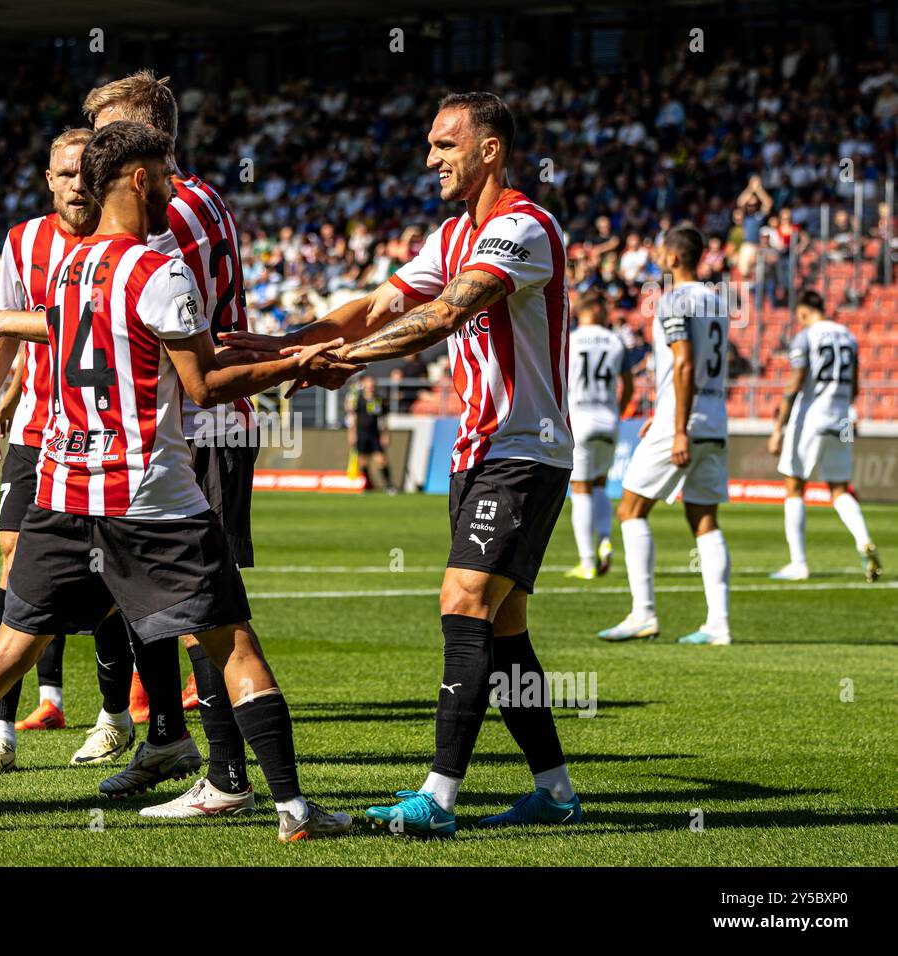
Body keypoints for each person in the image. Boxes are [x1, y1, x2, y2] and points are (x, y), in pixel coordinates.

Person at [0, 121, 357, 841]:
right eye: (167, 173)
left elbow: (64, 330)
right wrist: (297, 365)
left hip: (63, 487)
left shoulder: (68, 268)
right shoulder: (158, 270)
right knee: (234, 646)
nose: (175, 187)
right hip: (151, 497)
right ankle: (296, 810)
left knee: (10, 646)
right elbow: (204, 385)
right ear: (139, 178)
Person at [231, 92, 583, 835]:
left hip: (524, 449)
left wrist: (345, 362)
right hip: (478, 450)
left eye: (445, 145)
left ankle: (439, 798)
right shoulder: (452, 233)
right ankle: (553, 790)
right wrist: (280, 346)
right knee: (506, 627)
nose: (430, 160)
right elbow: (375, 305)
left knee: (462, 602)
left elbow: (447, 313)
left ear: (489, 149)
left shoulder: (524, 227)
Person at [82, 71, 267, 816]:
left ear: (142, 134)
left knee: (202, 610)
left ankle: (227, 774)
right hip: (190, 423)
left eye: (104, 131)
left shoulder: (168, 215)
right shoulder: (201, 199)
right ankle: (170, 739)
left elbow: (124, 314)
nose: (94, 148)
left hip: (200, 422)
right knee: (151, 595)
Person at [0, 128, 140, 774]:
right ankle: (0, 731)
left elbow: (62, 321)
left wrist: (3, 324)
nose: (77, 183)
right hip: (36, 430)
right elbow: (4, 330)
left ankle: (115, 716)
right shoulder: (23, 241)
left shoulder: (122, 245)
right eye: (64, 173)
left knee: (109, 576)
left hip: (103, 434)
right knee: (12, 563)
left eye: (87, 171)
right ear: (48, 179)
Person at [597, 225, 733, 645]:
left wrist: (675, 429)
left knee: (630, 511)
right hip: (712, 418)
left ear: (673, 258)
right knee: (704, 519)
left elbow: (685, 364)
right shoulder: (718, 302)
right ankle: (719, 624)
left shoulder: (675, 299)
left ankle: (643, 614)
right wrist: (661, 415)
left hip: (684, 422)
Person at [768, 290, 881, 582]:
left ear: (804, 313)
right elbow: (855, 386)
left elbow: (794, 384)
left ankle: (798, 563)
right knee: (840, 489)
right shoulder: (849, 336)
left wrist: (778, 427)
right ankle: (863, 540)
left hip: (812, 419)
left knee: (794, 488)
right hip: (842, 419)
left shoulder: (806, 336)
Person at [564, 289, 633, 579]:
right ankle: (605, 539)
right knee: (601, 485)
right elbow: (628, 384)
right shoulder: (616, 341)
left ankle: (587, 561)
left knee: (580, 490)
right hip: (608, 420)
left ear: (582, 313)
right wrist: (618, 411)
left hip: (580, 419)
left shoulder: (570, 340)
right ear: (600, 312)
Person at [347, 375, 396, 493]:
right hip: (361, 433)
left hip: (375, 434)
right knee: (363, 461)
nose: (370, 387)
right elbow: (353, 417)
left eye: (372, 385)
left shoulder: (378, 400)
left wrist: (385, 434)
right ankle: (368, 485)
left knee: (381, 460)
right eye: (368, 385)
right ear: (363, 386)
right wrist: (352, 434)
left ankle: (389, 485)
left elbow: (383, 419)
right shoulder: (358, 399)